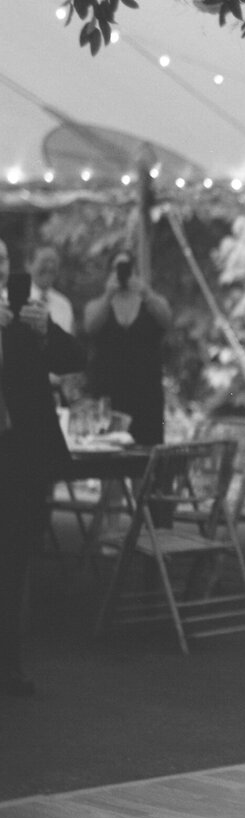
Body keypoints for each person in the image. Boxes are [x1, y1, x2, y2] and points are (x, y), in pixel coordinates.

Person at [0, 240, 84, 696]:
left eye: (2, 262)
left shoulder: (24, 317)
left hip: (15, 453)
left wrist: (45, 330)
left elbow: (75, 359)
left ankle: (10, 665)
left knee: (12, 559)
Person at [83, 249, 171, 445]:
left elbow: (166, 319)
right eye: (118, 269)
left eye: (127, 269)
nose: (123, 274)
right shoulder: (99, 304)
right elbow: (90, 326)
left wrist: (145, 292)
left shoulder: (149, 302)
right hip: (109, 393)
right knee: (107, 453)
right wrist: (108, 296)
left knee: (146, 452)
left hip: (146, 395)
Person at [30, 245, 75, 336]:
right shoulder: (12, 299)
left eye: (54, 262)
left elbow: (70, 344)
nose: (50, 266)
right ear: (28, 264)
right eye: (44, 261)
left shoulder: (64, 304)